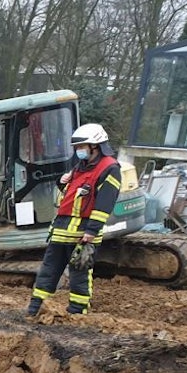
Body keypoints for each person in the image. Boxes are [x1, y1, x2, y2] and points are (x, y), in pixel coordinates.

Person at [26, 123, 122, 317]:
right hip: (61, 230)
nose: (78, 151)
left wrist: (91, 232)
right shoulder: (79, 167)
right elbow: (71, 198)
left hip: (82, 234)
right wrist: (60, 183)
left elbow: (104, 204)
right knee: (48, 270)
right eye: (77, 148)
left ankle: (77, 313)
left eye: (81, 147)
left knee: (79, 273)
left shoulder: (109, 168)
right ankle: (35, 308)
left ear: (95, 146)